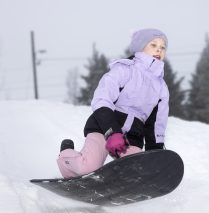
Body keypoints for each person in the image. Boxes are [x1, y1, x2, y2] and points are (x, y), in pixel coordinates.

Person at [57, 28, 170, 178]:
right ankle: (66, 156)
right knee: (87, 166)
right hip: (104, 129)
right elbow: (102, 99)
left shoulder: (161, 87)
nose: (159, 50)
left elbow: (156, 124)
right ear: (140, 47)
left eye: (163, 47)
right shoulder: (124, 70)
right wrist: (112, 132)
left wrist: (154, 154)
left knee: (137, 172)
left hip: (132, 136)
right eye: (153, 45)